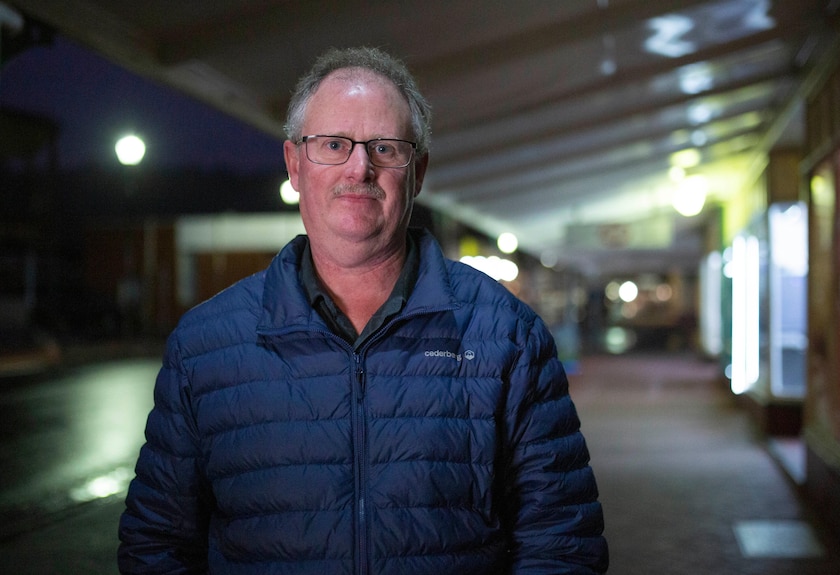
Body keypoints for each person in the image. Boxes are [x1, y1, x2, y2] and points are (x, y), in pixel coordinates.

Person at [118, 46, 609, 574]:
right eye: (333, 144)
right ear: (295, 165)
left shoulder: (507, 336)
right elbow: (157, 546)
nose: (360, 168)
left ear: (417, 172)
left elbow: (562, 544)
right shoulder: (206, 346)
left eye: (384, 147)